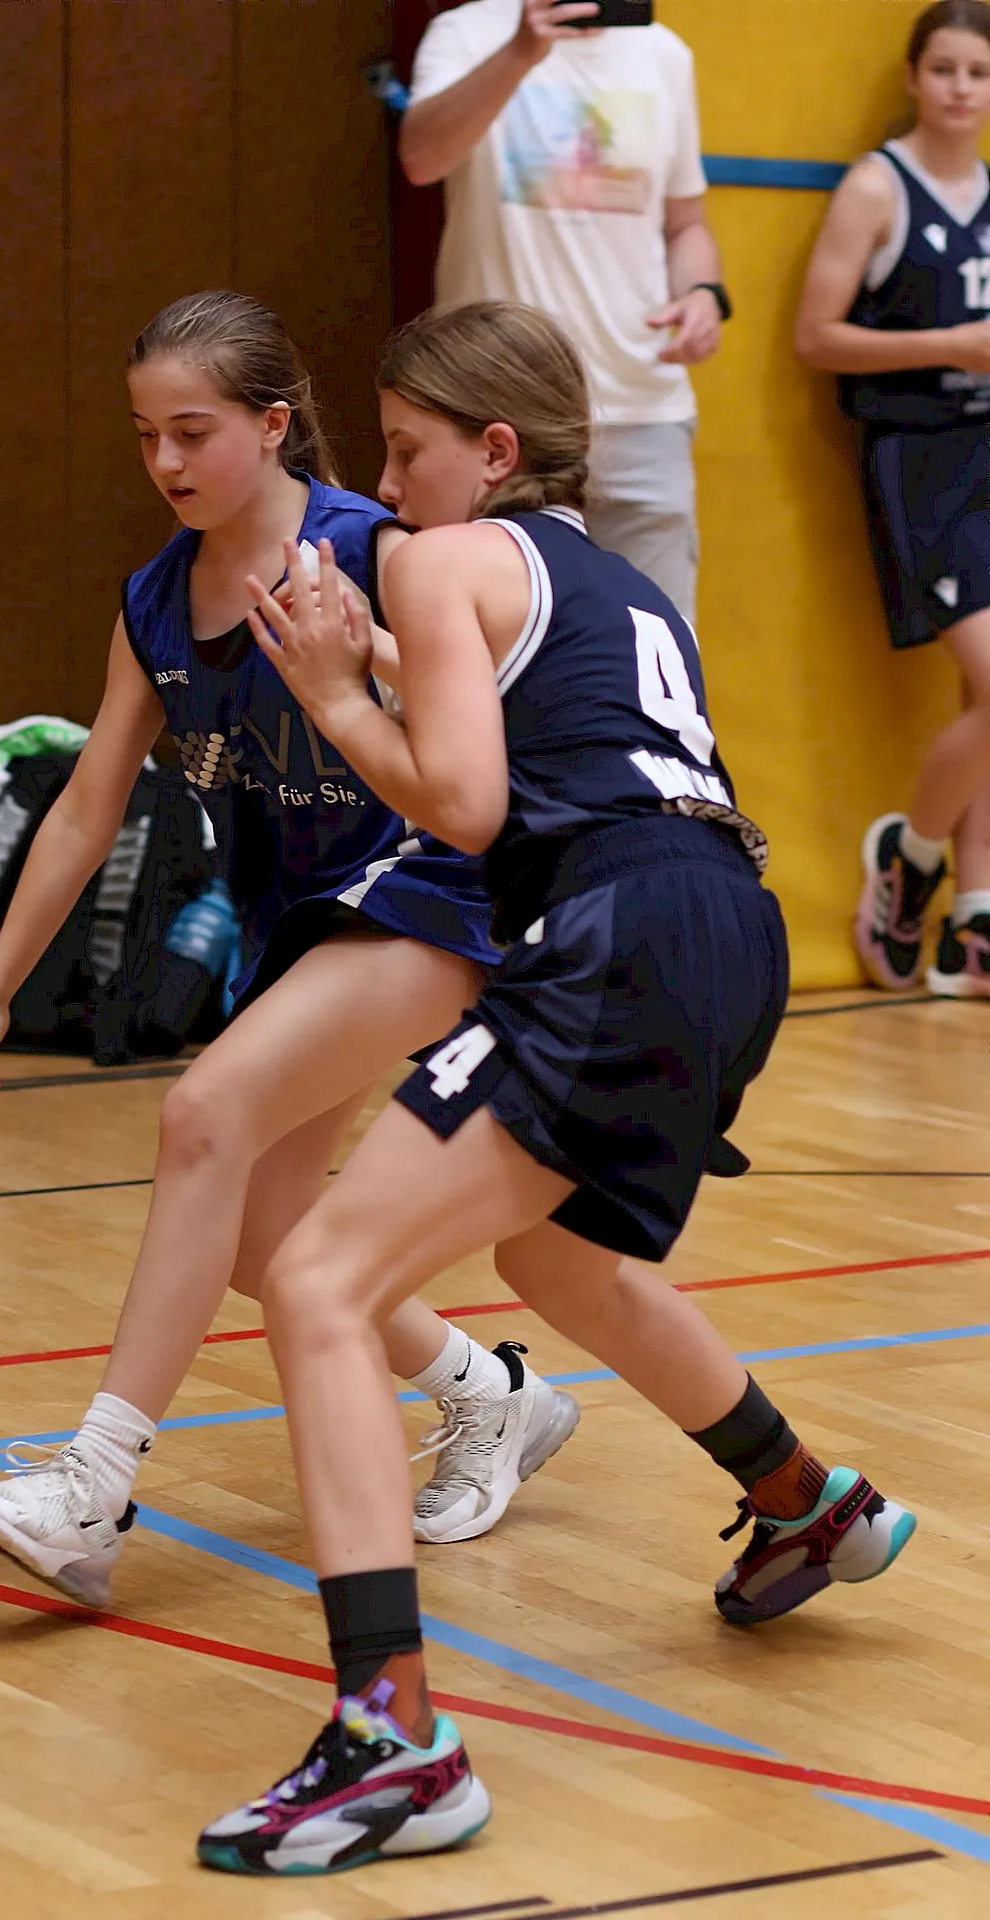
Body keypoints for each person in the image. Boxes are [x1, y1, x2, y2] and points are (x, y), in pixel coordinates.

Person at [196, 301, 916, 1877]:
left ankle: (392, 1740)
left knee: (316, 1279)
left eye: (408, 451)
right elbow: (532, 732)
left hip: (617, 929)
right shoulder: (616, 583)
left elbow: (464, 803)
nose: (387, 488)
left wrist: (336, 696)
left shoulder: (445, 557)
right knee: (555, 1256)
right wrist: (369, 661)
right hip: (729, 931)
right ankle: (804, 1499)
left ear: (495, 451)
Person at [0, 291, 579, 1606]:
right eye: (144, 434)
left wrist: (374, 658)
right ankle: (490, 1393)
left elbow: (500, 709)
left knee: (202, 1116)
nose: (164, 460)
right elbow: (89, 804)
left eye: (193, 431)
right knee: (265, 1233)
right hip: (306, 925)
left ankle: (93, 1489)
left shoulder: (378, 549)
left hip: (438, 891)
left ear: (274, 426)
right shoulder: (155, 603)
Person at [399, 0, 731, 623]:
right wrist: (520, 53)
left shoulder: (663, 53)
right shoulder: (468, 32)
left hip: (641, 401)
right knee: (488, 633)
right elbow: (421, 158)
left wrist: (703, 293)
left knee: (657, 640)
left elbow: (686, 224)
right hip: (496, 403)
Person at [796, 0, 990, 997]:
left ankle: (975, 910)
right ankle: (910, 863)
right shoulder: (878, 185)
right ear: (914, 76)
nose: (961, 88)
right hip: (921, 459)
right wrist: (950, 346)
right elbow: (815, 336)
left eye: (978, 72)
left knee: (982, 702)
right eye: (944, 68)